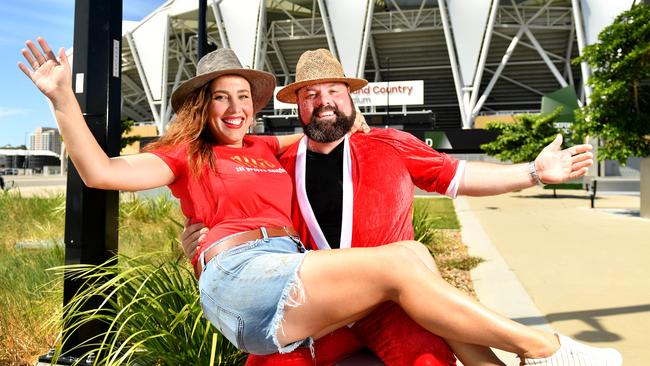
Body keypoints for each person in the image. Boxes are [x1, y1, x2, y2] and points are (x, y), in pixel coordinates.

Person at [20, 37, 622, 366]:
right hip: (250, 278)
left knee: (410, 258)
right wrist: (61, 101)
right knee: (402, 259)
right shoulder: (191, 153)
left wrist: (532, 174)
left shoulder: (301, 146)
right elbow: (99, 172)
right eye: (219, 98)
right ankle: (547, 351)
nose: (233, 108)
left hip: (316, 284)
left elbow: (453, 175)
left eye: (242, 97)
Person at [180, 49, 602, 366]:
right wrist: (199, 242)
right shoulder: (277, 164)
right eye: (310, 94)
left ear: (350, 98)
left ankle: (543, 351)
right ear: (298, 106)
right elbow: (242, 215)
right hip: (320, 310)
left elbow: (460, 178)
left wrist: (534, 172)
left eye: (333, 90)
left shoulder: (388, 143)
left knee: (429, 358)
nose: (323, 100)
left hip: (394, 309)